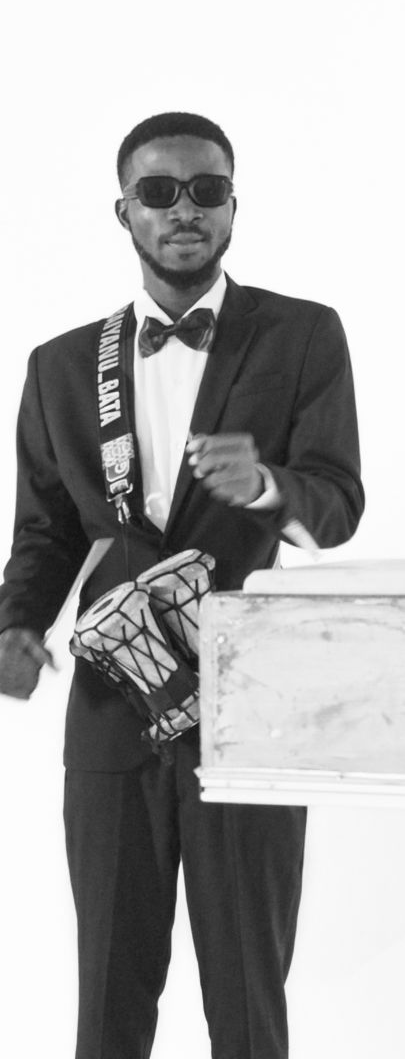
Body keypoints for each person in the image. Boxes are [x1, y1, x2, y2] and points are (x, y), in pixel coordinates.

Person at [0, 111, 364, 1059]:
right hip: (112, 703)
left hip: (250, 696)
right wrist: (16, 625)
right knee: (109, 995)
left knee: (247, 993)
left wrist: (270, 483)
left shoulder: (302, 334)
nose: (184, 209)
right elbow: (44, 533)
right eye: (159, 192)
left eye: (208, 190)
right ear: (123, 211)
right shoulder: (63, 365)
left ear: (235, 205)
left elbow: (337, 506)